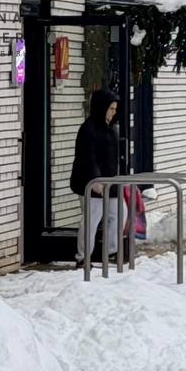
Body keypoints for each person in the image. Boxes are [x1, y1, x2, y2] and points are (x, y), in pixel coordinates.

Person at [70, 86, 125, 263]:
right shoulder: (88, 129)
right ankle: (83, 257)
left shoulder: (112, 129)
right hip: (92, 182)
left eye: (115, 109)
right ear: (102, 108)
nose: (113, 113)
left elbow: (113, 159)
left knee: (118, 214)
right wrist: (95, 180)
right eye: (110, 109)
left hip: (110, 181)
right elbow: (88, 157)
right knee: (91, 219)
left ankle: (111, 251)